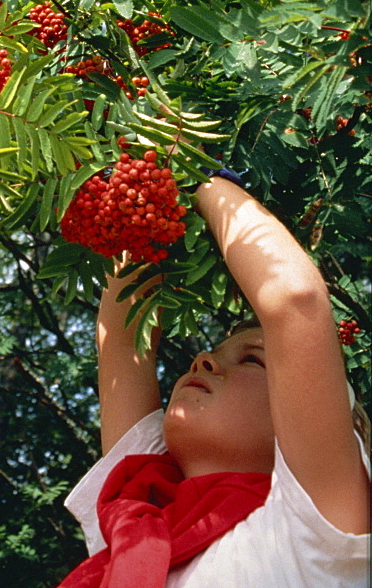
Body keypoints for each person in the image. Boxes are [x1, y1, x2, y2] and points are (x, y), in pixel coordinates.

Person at [61, 172, 370, 587]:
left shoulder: (313, 530)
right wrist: (144, 186)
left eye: (253, 361)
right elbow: (121, 339)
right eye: (216, 351)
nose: (203, 359)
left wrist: (197, 175)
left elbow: (296, 301)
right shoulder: (135, 509)